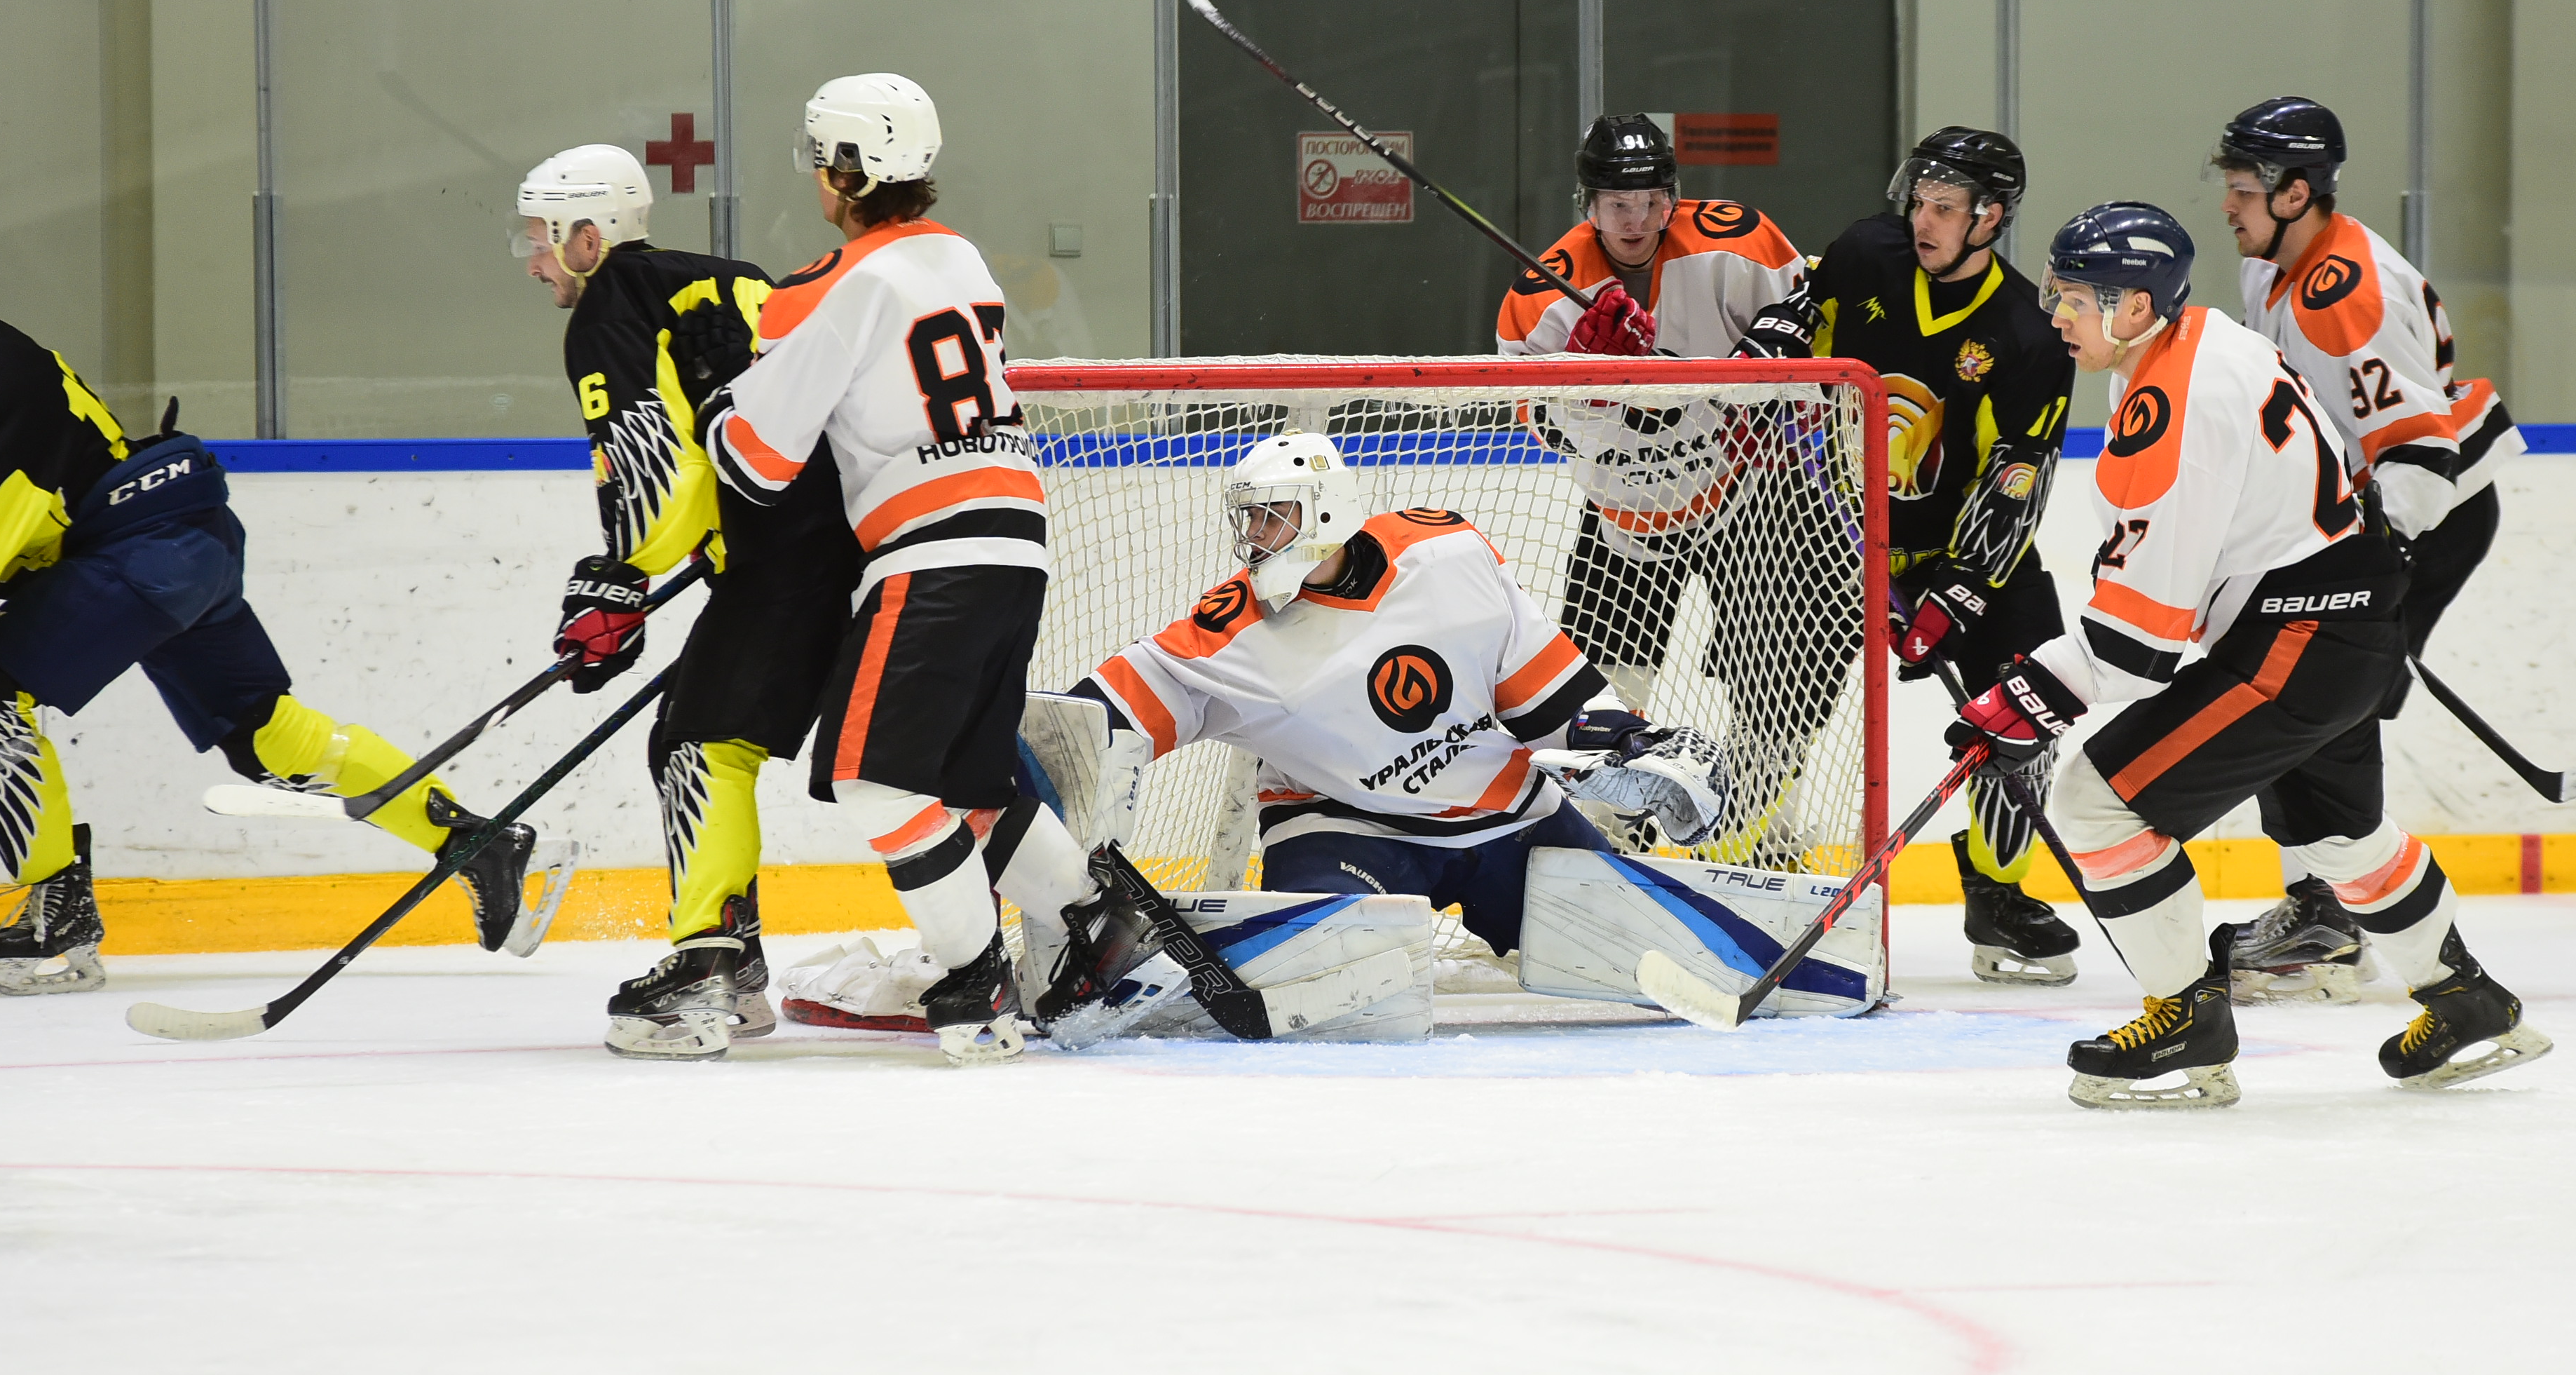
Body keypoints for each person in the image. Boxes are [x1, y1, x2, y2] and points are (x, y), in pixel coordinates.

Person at [1944, 202, 2551, 1108]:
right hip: (2346, 615)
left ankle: (2185, 1019)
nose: (2056, 314)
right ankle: (2468, 1000)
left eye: (2075, 297)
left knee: (2098, 803)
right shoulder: (2204, 339)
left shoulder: (2174, 403)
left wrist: (2029, 694)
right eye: (2055, 293)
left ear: (2136, 305)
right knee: (2340, 836)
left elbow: (2140, 642)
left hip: (2299, 638)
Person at [0, 241, 536, 994]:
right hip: (177, 536)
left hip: (141, 550)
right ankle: (477, 840)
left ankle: (59, 904)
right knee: (266, 738)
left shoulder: (3, 399)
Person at [700, 73, 1090, 1064]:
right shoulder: (962, 258)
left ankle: (976, 980)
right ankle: (1097, 921)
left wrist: (715, 406)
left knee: (873, 781)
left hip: (932, 552)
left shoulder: (832, 285)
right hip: (1015, 540)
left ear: (845, 172)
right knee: (969, 784)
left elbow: (756, 460)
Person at [1061, 431, 1726, 959]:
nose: (1255, 536)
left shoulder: (1446, 551)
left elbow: (1546, 695)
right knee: (1327, 963)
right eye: (1250, 519)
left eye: (1272, 516)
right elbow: (1087, 721)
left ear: (1326, 508)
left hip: (1501, 808)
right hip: (1343, 828)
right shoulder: (1227, 633)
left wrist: (1626, 741)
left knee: (1648, 949)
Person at [509, 144, 864, 1060]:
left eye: (543, 239)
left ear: (591, 237)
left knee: (702, 744)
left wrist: (621, 574)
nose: (535, 260)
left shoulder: (610, 307)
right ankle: (733, 964)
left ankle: (706, 970)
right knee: (696, 737)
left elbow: (658, 467)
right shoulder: (728, 276)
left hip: (786, 552)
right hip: (851, 531)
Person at [1737, 126, 2079, 984]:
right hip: (1830, 520)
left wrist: (1960, 590)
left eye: (1944, 207)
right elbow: (1805, 311)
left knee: (2028, 701)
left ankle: (1997, 890)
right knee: (1775, 700)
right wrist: (1774, 336)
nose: (1921, 220)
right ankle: (1731, 866)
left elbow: (2017, 477)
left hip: (1954, 547)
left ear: (1990, 217)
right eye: (1919, 201)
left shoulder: (2029, 331)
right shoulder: (1868, 252)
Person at [2210, 98, 2526, 1004]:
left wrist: (2372, 567)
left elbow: (2421, 457)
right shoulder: (2272, 266)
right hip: (2351, 516)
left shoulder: (2347, 296)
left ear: (2296, 192)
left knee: (2319, 696)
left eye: (2244, 187)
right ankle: (2323, 909)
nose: (2228, 204)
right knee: (2296, 688)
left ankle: (2328, 918)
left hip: (2422, 516)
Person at [1496, 114, 1848, 862]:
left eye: (1652, 202)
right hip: (1626, 511)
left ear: (1674, 198)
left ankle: (1765, 832)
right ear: (1588, 205)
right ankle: (1608, 831)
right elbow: (1544, 428)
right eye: (1617, 204)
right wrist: (1590, 380)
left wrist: (1770, 368)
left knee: (1777, 673)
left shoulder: (1740, 243)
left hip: (1752, 497)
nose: (1636, 220)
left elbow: (1817, 326)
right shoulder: (1541, 299)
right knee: (1602, 681)